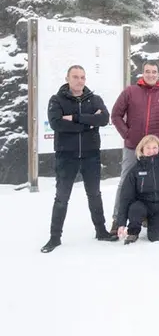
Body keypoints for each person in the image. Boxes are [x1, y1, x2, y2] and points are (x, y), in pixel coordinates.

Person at [40, 65, 117, 253]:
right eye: (75, 77)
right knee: (61, 198)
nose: (79, 80)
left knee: (95, 195)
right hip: (66, 157)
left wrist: (74, 118)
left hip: (91, 156)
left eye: (82, 77)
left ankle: (101, 231)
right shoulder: (56, 100)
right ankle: (55, 237)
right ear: (67, 78)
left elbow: (104, 119)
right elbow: (57, 123)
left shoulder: (95, 99)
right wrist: (87, 124)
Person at [110, 60, 159, 234]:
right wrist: (127, 134)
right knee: (126, 181)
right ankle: (117, 220)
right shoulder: (130, 92)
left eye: (154, 71)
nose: (150, 74)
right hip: (133, 147)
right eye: (147, 71)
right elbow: (116, 114)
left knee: (155, 184)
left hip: (155, 150)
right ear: (143, 73)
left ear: (158, 73)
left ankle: (149, 218)